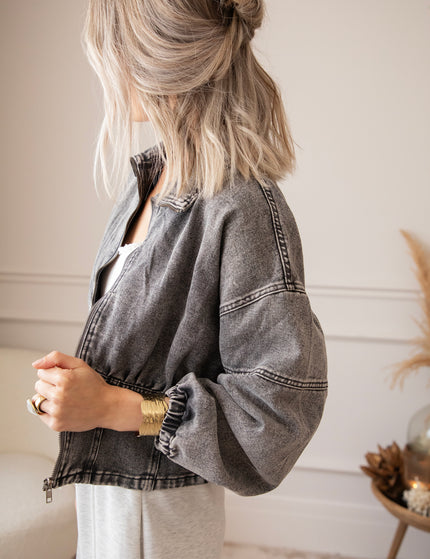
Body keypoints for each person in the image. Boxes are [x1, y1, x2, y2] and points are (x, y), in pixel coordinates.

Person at [27, 1, 328, 558]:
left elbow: (276, 414)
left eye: (118, 50)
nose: (109, 69)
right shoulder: (150, 182)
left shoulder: (242, 206)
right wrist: (80, 393)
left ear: (158, 59)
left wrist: (112, 407)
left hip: (159, 518)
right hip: (108, 497)